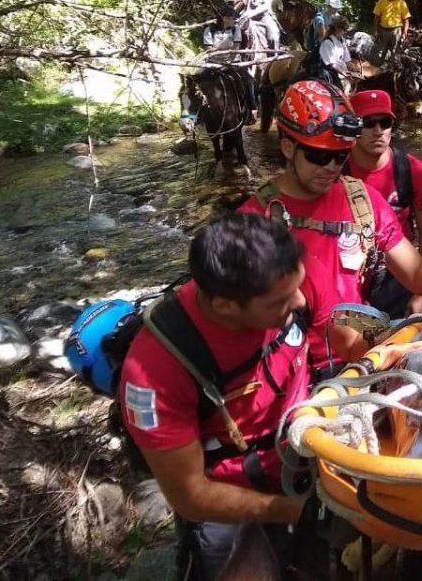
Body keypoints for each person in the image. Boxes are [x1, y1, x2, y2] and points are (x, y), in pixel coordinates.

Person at [116, 212, 351, 580]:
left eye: (299, 286)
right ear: (225, 305)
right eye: (281, 301)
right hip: (231, 497)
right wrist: (294, 511)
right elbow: (190, 495)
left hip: (307, 461)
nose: (302, 301)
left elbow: (340, 346)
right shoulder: (157, 370)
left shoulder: (287, 279)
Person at [239, 80, 422, 327]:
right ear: (287, 147)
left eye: (340, 156)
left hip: (359, 351)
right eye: (318, 155)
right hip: (292, 362)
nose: (331, 167)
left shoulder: (363, 201)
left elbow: (416, 274)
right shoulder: (250, 222)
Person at [345, 89, 422, 317]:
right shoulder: (335, 170)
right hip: (350, 274)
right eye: (368, 123)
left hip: (399, 274)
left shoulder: (412, 170)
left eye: (384, 122)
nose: (378, 131)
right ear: (353, 128)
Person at [372, 0, 410, 66]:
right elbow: (376, 18)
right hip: (383, 31)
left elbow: (406, 20)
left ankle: (394, 73)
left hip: (396, 31)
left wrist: (404, 33)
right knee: (381, 53)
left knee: (395, 54)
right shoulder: (381, 2)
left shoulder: (401, 3)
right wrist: (375, 31)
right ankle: (378, 72)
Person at [316, 15, 351, 87]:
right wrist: (342, 72)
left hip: (342, 72)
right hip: (330, 72)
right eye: (344, 29)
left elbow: (346, 59)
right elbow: (331, 64)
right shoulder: (327, 42)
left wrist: (352, 66)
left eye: (346, 29)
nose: (345, 32)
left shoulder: (342, 41)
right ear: (337, 28)